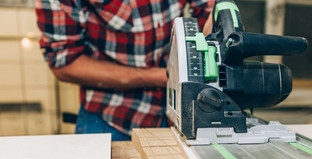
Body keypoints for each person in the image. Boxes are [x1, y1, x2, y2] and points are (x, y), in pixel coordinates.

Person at [35, 0, 214, 141]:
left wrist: (215, 20)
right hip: (111, 118)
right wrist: (164, 76)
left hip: (181, 112)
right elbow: (64, 63)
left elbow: (209, 11)